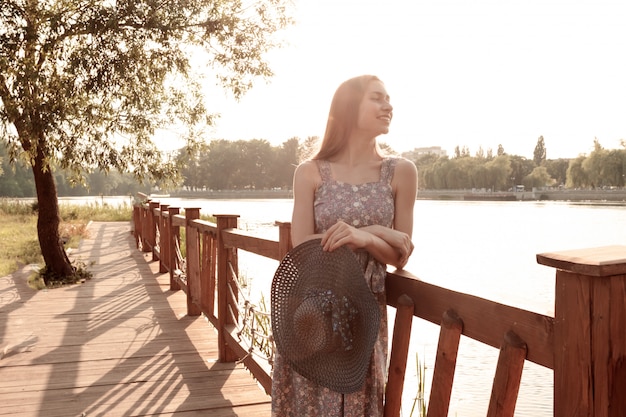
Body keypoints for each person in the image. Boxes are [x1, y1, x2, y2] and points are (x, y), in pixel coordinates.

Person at [271, 74, 418, 416]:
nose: (388, 106)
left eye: (389, 99)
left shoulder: (400, 171)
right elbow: (301, 246)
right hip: (311, 311)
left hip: (363, 312)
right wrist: (374, 229)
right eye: (377, 98)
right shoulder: (310, 172)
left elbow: (400, 253)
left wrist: (364, 236)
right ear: (350, 108)